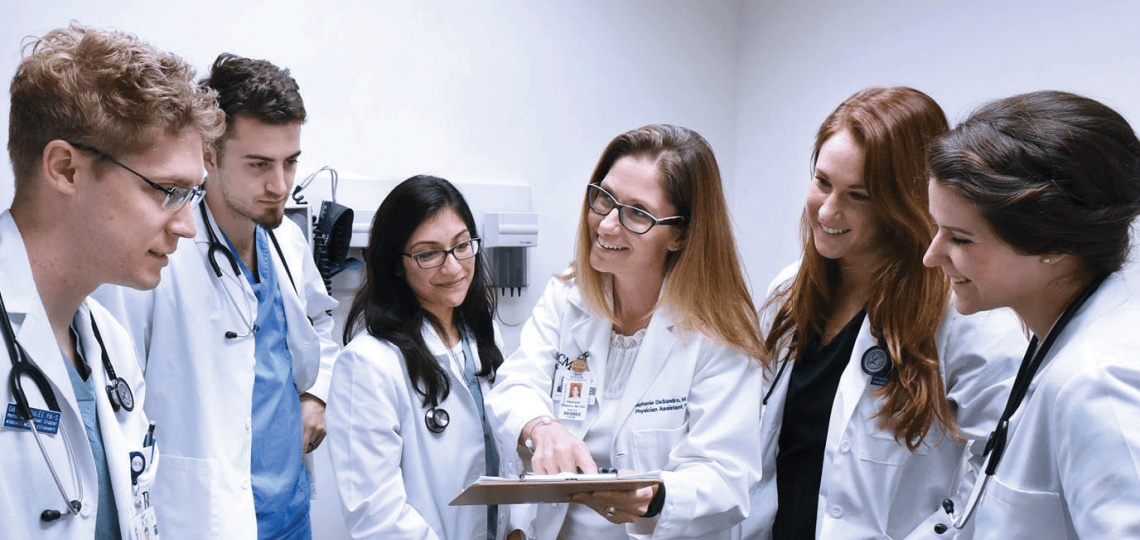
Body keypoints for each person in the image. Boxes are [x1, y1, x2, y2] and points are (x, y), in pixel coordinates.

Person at [741, 87, 1025, 540]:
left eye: (859, 195)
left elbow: (1003, 465)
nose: (829, 210)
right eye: (823, 182)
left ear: (906, 201)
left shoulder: (964, 313)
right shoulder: (788, 292)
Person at [92, 53, 338, 539]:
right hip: (206, 517)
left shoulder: (286, 240)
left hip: (290, 512)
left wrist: (315, 394)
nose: (280, 185)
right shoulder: (159, 254)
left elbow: (320, 327)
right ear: (209, 155)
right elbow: (116, 402)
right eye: (259, 165)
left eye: (290, 163)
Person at [485, 124, 765, 540]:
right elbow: (515, 384)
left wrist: (656, 497)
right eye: (605, 198)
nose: (607, 224)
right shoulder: (568, 296)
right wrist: (542, 427)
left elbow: (727, 475)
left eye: (637, 213)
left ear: (681, 235)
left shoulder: (719, 333)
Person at [1, 23, 223, 539]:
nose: (187, 226)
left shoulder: (110, 345)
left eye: (191, 196)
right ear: (66, 169)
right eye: (167, 190)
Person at [923, 90, 1140, 539]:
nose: (931, 256)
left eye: (960, 239)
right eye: (936, 229)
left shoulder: (1096, 383)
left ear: (1054, 245)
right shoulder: (1055, 340)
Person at [326, 175, 508, 539]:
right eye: (428, 254)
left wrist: (518, 528)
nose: (454, 267)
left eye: (461, 245)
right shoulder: (368, 363)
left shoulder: (483, 335)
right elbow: (375, 515)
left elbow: (509, 453)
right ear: (396, 263)